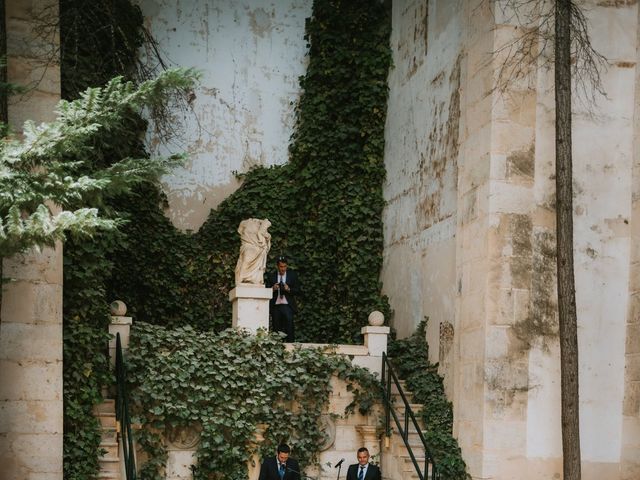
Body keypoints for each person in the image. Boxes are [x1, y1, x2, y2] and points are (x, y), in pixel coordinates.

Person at [265, 256, 300, 342]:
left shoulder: (292, 275)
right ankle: (276, 347)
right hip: (276, 305)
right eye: (281, 266)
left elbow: (298, 290)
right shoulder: (271, 276)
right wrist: (273, 289)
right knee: (276, 327)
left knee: (289, 326)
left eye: (284, 266)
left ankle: (291, 345)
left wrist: (288, 289)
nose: (283, 269)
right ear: (277, 266)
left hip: (287, 305)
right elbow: (265, 291)